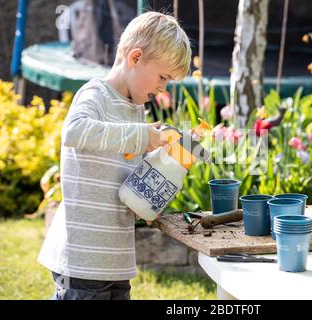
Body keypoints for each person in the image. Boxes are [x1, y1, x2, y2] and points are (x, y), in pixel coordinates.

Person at [37, 11, 192, 300]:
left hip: (115, 259)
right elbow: (74, 131)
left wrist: (152, 186)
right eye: (162, 77)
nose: (163, 88)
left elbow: (125, 175)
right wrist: (143, 136)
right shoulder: (95, 94)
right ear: (135, 58)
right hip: (83, 257)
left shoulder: (134, 109)